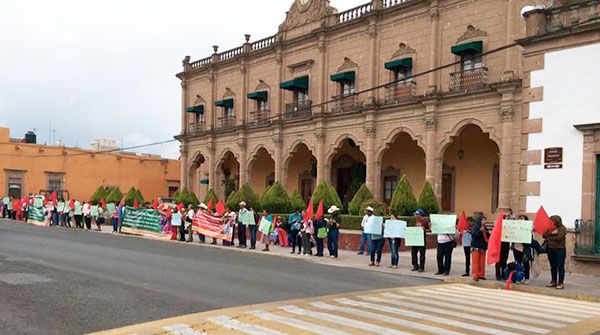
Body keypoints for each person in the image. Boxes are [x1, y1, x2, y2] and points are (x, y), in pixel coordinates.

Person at [544, 215, 567, 290]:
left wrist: (549, 238)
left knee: (560, 266)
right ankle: (553, 281)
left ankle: (560, 282)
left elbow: (559, 237)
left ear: (557, 221)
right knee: (553, 266)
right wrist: (551, 233)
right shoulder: (550, 229)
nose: (551, 222)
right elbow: (544, 235)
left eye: (552, 221)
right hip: (550, 249)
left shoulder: (562, 229)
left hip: (560, 249)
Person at [512, 214, 532, 284]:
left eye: (522, 218)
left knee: (525, 263)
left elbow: (531, 238)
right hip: (516, 247)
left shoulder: (528, 228)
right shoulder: (516, 227)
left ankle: (526, 278)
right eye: (520, 218)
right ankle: (518, 278)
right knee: (518, 263)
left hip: (524, 249)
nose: (521, 220)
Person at [470, 215, 488, 281]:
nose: (484, 221)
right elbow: (474, 235)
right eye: (483, 220)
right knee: (476, 262)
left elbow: (487, 235)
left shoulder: (485, 227)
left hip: (483, 247)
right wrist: (480, 231)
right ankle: (475, 275)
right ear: (479, 220)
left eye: (485, 220)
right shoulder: (475, 227)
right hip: (476, 247)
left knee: (482, 262)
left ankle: (481, 274)